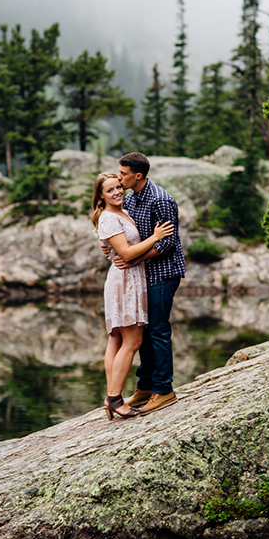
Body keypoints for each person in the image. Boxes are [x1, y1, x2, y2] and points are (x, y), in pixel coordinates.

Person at [105, 152, 186, 415]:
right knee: (144, 330)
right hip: (141, 276)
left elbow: (166, 243)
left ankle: (164, 391)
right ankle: (145, 385)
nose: (119, 177)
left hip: (163, 273)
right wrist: (113, 249)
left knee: (158, 330)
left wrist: (132, 260)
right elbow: (128, 235)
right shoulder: (131, 198)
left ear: (137, 175)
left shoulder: (161, 199)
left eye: (123, 174)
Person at [91, 173, 173, 419]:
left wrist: (108, 247)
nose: (117, 192)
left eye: (118, 187)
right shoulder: (108, 218)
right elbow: (125, 254)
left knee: (116, 339)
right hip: (124, 281)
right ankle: (114, 398)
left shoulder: (121, 210)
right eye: (110, 190)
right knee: (132, 342)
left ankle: (112, 396)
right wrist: (155, 237)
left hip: (128, 279)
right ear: (100, 196)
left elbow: (115, 247)